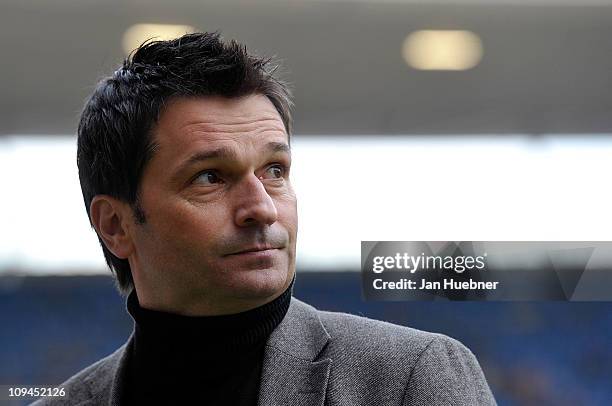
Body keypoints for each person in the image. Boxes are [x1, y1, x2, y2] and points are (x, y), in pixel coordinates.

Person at [32, 32, 496, 405]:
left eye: (274, 171)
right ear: (115, 225)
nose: (262, 207)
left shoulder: (409, 378)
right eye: (210, 176)